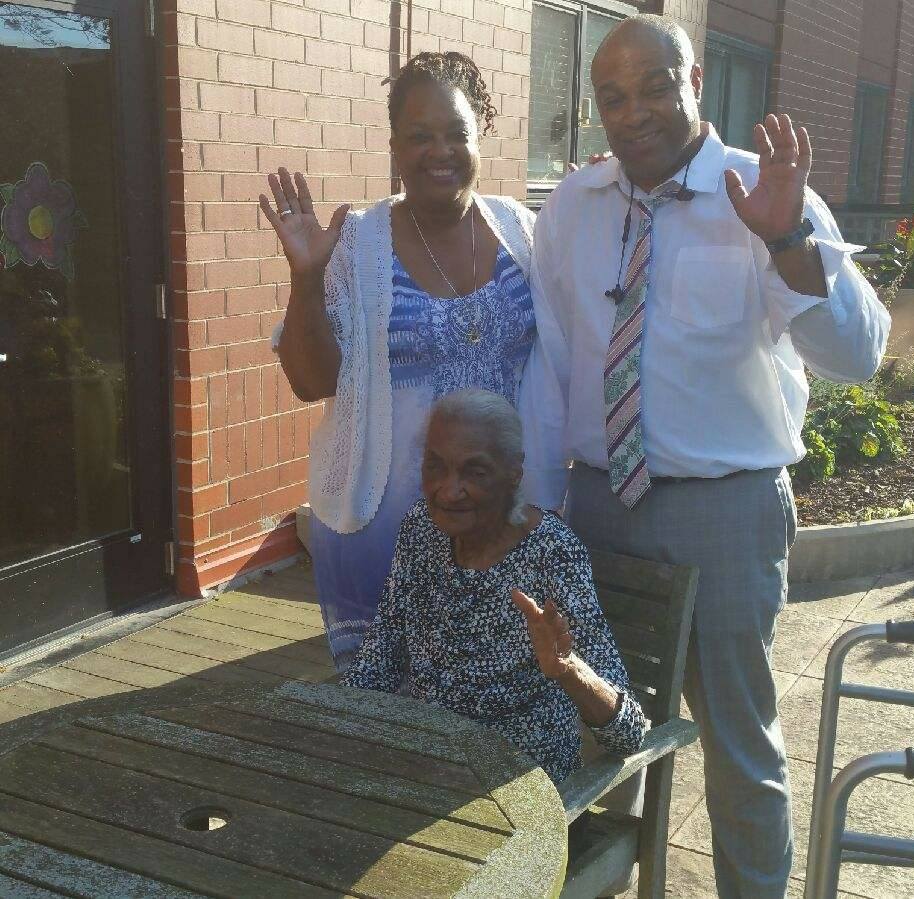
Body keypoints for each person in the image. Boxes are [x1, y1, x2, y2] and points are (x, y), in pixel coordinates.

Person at [520, 14, 890, 899]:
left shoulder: (763, 191)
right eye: (612, 95)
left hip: (724, 514)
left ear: (695, 83)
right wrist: (541, 502)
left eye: (655, 85)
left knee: (737, 743)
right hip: (600, 504)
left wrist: (787, 238)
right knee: (595, 721)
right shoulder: (574, 204)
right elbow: (551, 360)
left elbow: (857, 356)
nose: (635, 109)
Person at [261, 53, 537, 670]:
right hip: (383, 527)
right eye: (419, 136)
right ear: (393, 146)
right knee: (385, 717)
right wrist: (306, 279)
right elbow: (310, 382)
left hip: (504, 525)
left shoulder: (521, 231)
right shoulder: (357, 244)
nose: (440, 150)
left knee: (497, 699)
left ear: (480, 138)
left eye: (457, 133)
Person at [342, 388, 646, 783]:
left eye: (475, 472)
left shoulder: (552, 553)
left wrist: (568, 670)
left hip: (518, 786)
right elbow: (379, 662)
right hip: (425, 764)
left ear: (514, 473)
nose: (449, 491)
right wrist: (329, 720)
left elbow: (631, 732)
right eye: (435, 467)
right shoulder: (421, 529)